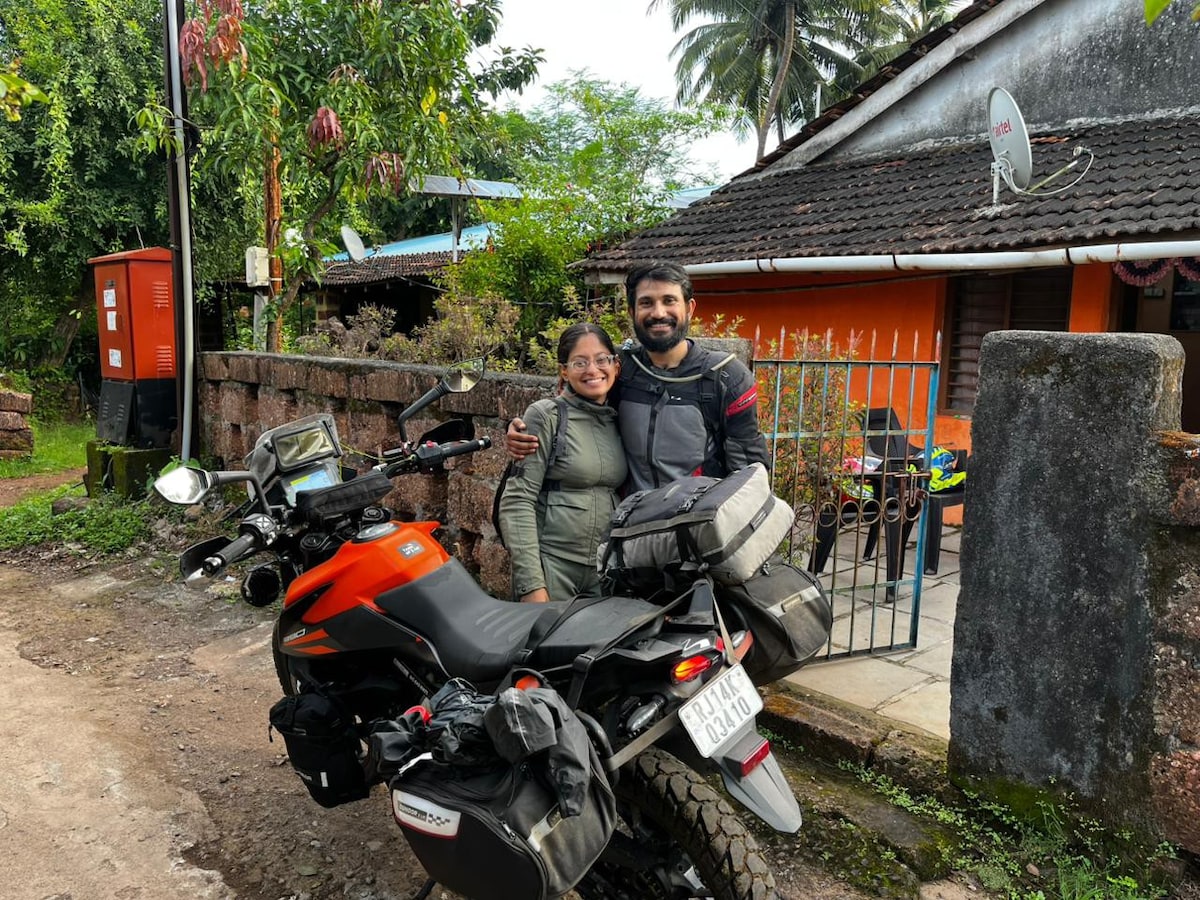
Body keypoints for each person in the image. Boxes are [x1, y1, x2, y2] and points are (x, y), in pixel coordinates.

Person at [507, 261, 768, 491]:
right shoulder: (619, 369)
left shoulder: (725, 377)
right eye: (646, 303)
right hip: (628, 524)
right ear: (632, 311)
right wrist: (522, 431)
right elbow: (567, 410)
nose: (658, 313)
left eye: (669, 300)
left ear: (689, 308)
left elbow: (750, 475)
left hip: (697, 524)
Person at [497, 324, 627, 603]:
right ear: (564, 371)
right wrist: (531, 585)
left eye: (601, 360)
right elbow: (518, 499)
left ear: (616, 365)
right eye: (580, 362)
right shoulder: (547, 416)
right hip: (553, 568)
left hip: (604, 572)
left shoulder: (619, 418)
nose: (592, 370)